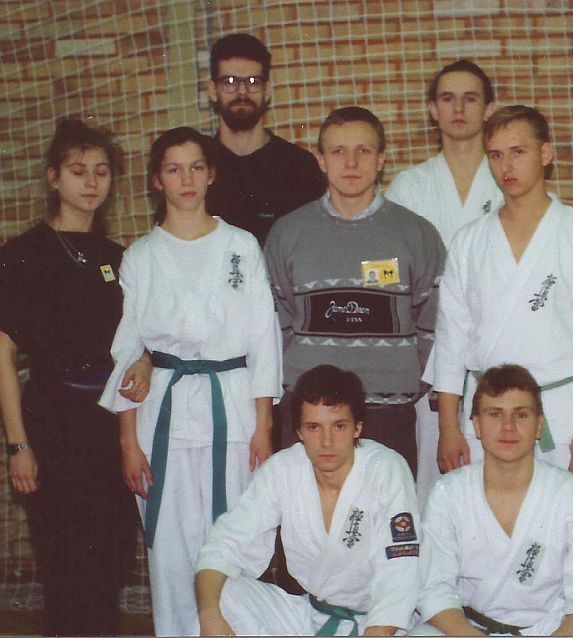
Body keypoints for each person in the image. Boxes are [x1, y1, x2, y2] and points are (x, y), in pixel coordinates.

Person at [98, 126, 282, 636]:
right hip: (164, 412)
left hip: (233, 406)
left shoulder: (240, 245)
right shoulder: (141, 256)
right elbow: (128, 351)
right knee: (171, 546)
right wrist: (128, 444)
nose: (187, 179)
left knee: (234, 537)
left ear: (211, 174)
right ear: (157, 180)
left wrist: (264, 426)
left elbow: (264, 339)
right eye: (174, 169)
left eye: (196, 167)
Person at [433, 106, 573, 514]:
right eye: (496, 155)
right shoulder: (468, 242)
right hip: (487, 416)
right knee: (488, 524)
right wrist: (448, 428)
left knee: (570, 521)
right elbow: (450, 340)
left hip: (563, 413)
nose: (506, 166)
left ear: (546, 154)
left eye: (518, 152)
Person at [0, 119, 138, 635]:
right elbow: (3, 355)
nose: (92, 181)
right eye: (78, 171)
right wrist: (19, 444)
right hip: (52, 426)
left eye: (102, 171)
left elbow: (135, 347)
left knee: (112, 559)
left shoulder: (120, 259)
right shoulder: (21, 256)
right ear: (53, 177)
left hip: (109, 426)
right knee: (64, 567)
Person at [265, 106, 445, 476]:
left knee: (384, 511)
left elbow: (434, 320)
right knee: (304, 511)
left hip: (388, 411)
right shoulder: (288, 233)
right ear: (321, 161)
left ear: (381, 160)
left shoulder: (417, 234)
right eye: (338, 151)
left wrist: (405, 378)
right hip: (309, 414)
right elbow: (274, 319)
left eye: (363, 150)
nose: (351, 162)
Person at [195, 364, 420, 636]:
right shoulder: (283, 469)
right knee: (219, 595)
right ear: (299, 431)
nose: (326, 441)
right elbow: (225, 542)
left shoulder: (386, 469)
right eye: (314, 427)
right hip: (308, 616)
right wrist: (209, 616)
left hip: (378, 624)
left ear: (357, 427)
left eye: (338, 426)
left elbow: (401, 571)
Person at [413, 364, 573, 636]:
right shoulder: (447, 493)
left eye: (521, 415)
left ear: (539, 425)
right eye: (495, 414)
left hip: (554, 627)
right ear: (477, 425)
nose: (508, 427)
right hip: (472, 629)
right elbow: (433, 589)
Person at [386, 59, 503, 502]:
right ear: (433, 110)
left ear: (488, 109)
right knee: (438, 483)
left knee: (503, 476)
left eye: (470, 99)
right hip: (433, 356)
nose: (458, 109)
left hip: (499, 347)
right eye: (447, 99)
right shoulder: (409, 187)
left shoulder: (510, 181)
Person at [205, 33, 326, 246]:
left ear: (267, 90)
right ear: (213, 91)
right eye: (230, 82)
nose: (242, 92)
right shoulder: (197, 167)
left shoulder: (300, 167)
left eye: (253, 81)